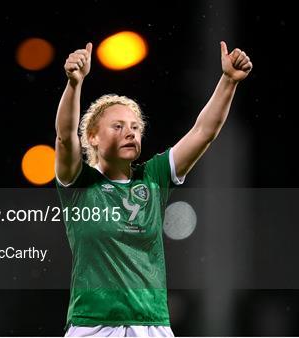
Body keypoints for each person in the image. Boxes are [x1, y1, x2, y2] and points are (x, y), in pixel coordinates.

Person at [54, 41, 252, 337]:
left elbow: (203, 132)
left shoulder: (153, 177)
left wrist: (228, 81)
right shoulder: (80, 184)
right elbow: (65, 137)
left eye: (135, 127)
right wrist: (74, 83)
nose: (130, 132)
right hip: (92, 326)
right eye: (118, 126)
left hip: (151, 326)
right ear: (93, 137)